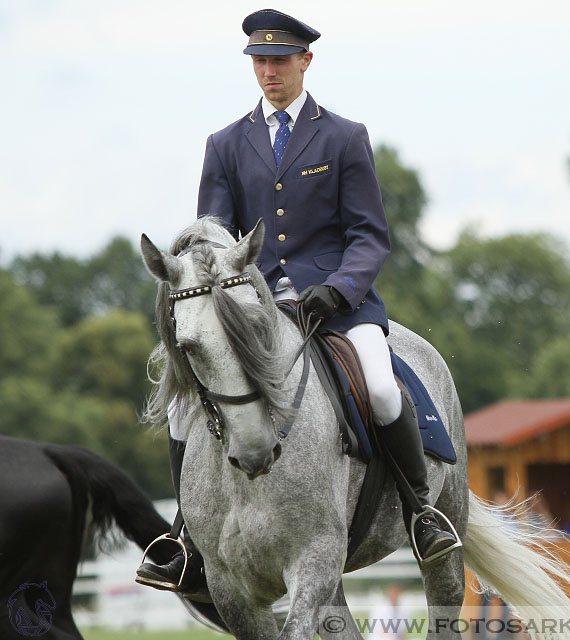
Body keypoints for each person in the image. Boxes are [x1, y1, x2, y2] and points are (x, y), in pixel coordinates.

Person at [136, 8, 458, 595]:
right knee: (186, 406)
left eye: (279, 61)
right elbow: (213, 236)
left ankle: (421, 513)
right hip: (248, 310)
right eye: (260, 62)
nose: (269, 71)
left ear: (305, 61)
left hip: (336, 304)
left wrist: (337, 289)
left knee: (383, 386)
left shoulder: (342, 136)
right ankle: (184, 538)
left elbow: (369, 235)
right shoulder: (226, 143)